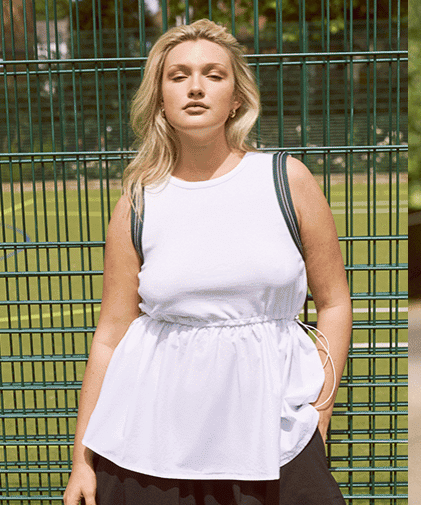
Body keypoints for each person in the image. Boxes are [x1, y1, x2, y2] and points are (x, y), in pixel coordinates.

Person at [63, 19, 351, 505]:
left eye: (213, 75)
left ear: (237, 97)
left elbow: (335, 303)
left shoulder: (287, 179)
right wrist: (81, 461)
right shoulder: (138, 201)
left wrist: (319, 413)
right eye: (178, 76)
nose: (196, 87)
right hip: (152, 443)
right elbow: (111, 335)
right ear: (159, 97)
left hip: (274, 434)